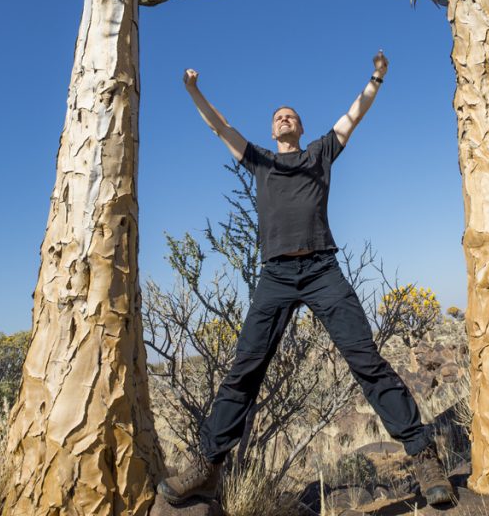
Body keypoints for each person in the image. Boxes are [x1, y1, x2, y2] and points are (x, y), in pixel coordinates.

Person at [157, 52, 454, 508]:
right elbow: (221, 127)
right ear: (273, 131)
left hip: (321, 270)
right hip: (275, 276)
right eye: (277, 117)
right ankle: (207, 467)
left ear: (299, 126)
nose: (283, 119)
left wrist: (375, 78)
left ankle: (422, 454)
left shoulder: (319, 153)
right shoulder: (258, 161)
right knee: (245, 370)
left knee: (366, 360)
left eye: (290, 115)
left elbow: (353, 118)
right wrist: (194, 90)